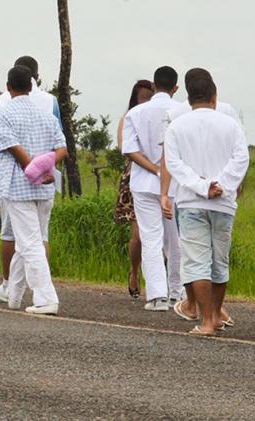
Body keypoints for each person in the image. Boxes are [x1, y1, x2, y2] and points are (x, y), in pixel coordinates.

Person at [164, 68, 249, 336]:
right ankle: (216, 314)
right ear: (215, 96)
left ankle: (206, 322)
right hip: (223, 202)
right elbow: (241, 158)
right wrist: (221, 184)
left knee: (196, 261)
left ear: (189, 99)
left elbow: (173, 163)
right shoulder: (230, 124)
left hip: (191, 201)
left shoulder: (177, 126)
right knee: (219, 261)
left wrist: (202, 186)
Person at [0, 65, 67, 315]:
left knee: (30, 243)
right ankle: (14, 295)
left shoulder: (4, 113)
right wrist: (47, 168)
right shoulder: (45, 115)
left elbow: (14, 148)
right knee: (28, 243)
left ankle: (46, 298)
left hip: (18, 187)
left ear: (8, 87)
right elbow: (61, 149)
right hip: (45, 189)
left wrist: (33, 169)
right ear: (32, 85)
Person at [122, 66, 182, 311]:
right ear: (176, 88)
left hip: (144, 184)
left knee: (150, 239)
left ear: (154, 86)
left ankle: (157, 296)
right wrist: (166, 171)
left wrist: (155, 170)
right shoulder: (182, 111)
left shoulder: (135, 113)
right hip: (176, 184)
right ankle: (177, 293)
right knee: (176, 240)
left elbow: (129, 150)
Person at [114, 79, 154, 298]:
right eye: (142, 98)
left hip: (161, 176)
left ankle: (157, 282)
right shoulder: (128, 118)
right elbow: (124, 147)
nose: (146, 102)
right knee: (139, 236)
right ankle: (134, 271)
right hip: (135, 177)